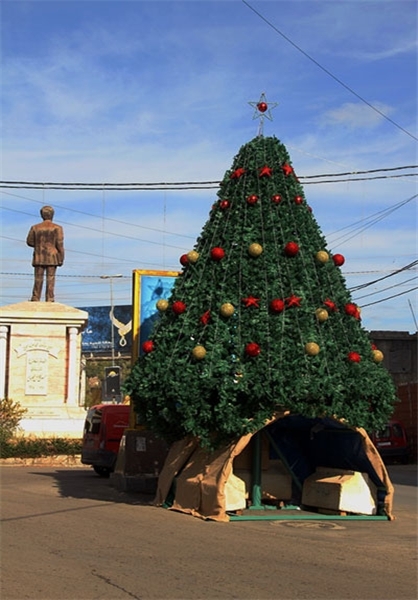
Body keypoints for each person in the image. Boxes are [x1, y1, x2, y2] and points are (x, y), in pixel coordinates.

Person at [26, 205, 65, 302]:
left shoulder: (35, 228)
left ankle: (35, 297)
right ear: (52, 215)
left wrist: (39, 245)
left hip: (39, 256)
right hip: (52, 256)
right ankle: (50, 298)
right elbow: (59, 244)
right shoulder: (57, 228)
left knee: (38, 278)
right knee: (50, 278)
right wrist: (61, 257)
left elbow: (29, 242)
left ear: (42, 215)